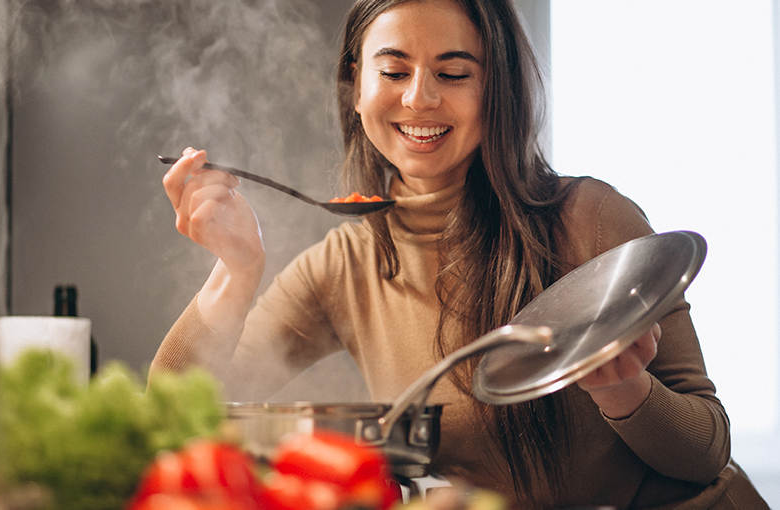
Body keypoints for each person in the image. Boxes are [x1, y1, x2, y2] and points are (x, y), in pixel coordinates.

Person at [150, 0, 769, 507]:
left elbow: (706, 452)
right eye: (393, 72)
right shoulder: (344, 263)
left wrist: (623, 389)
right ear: (355, 86)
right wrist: (236, 271)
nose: (420, 99)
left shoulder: (591, 220)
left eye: (453, 72)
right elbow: (177, 413)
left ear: (495, 88)